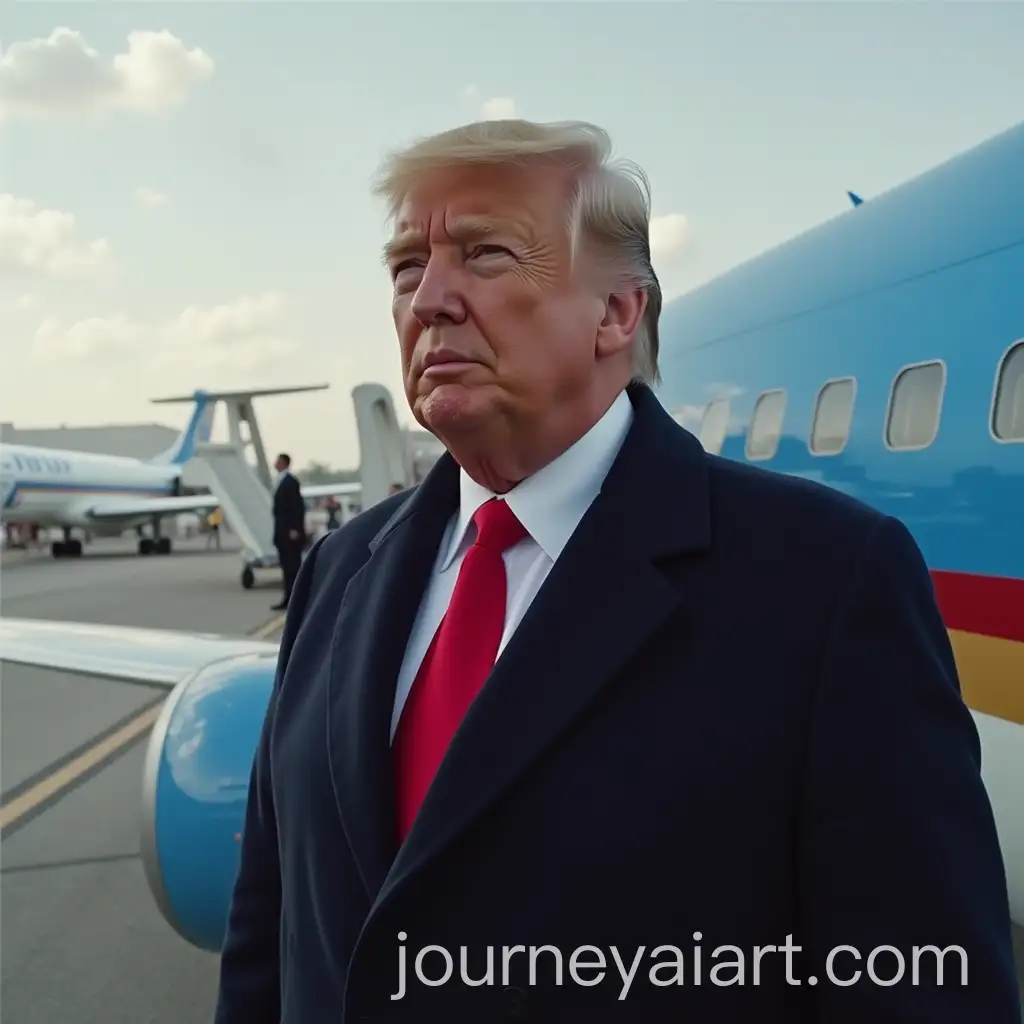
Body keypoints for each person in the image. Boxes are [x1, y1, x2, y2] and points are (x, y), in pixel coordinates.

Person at [215, 120, 1021, 1023]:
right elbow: (269, 927)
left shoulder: (827, 582)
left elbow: (924, 981)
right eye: (407, 268)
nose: (429, 299)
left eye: (485, 254)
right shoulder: (339, 570)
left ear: (617, 313)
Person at [269, 452, 306, 611]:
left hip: (290, 533)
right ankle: (289, 598)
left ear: (284, 463)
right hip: (283, 533)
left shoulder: (290, 482)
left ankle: (296, 600)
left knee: (292, 568)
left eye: (277, 461)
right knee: (287, 568)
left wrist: (295, 529)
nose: (275, 464)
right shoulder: (280, 481)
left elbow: (296, 507)